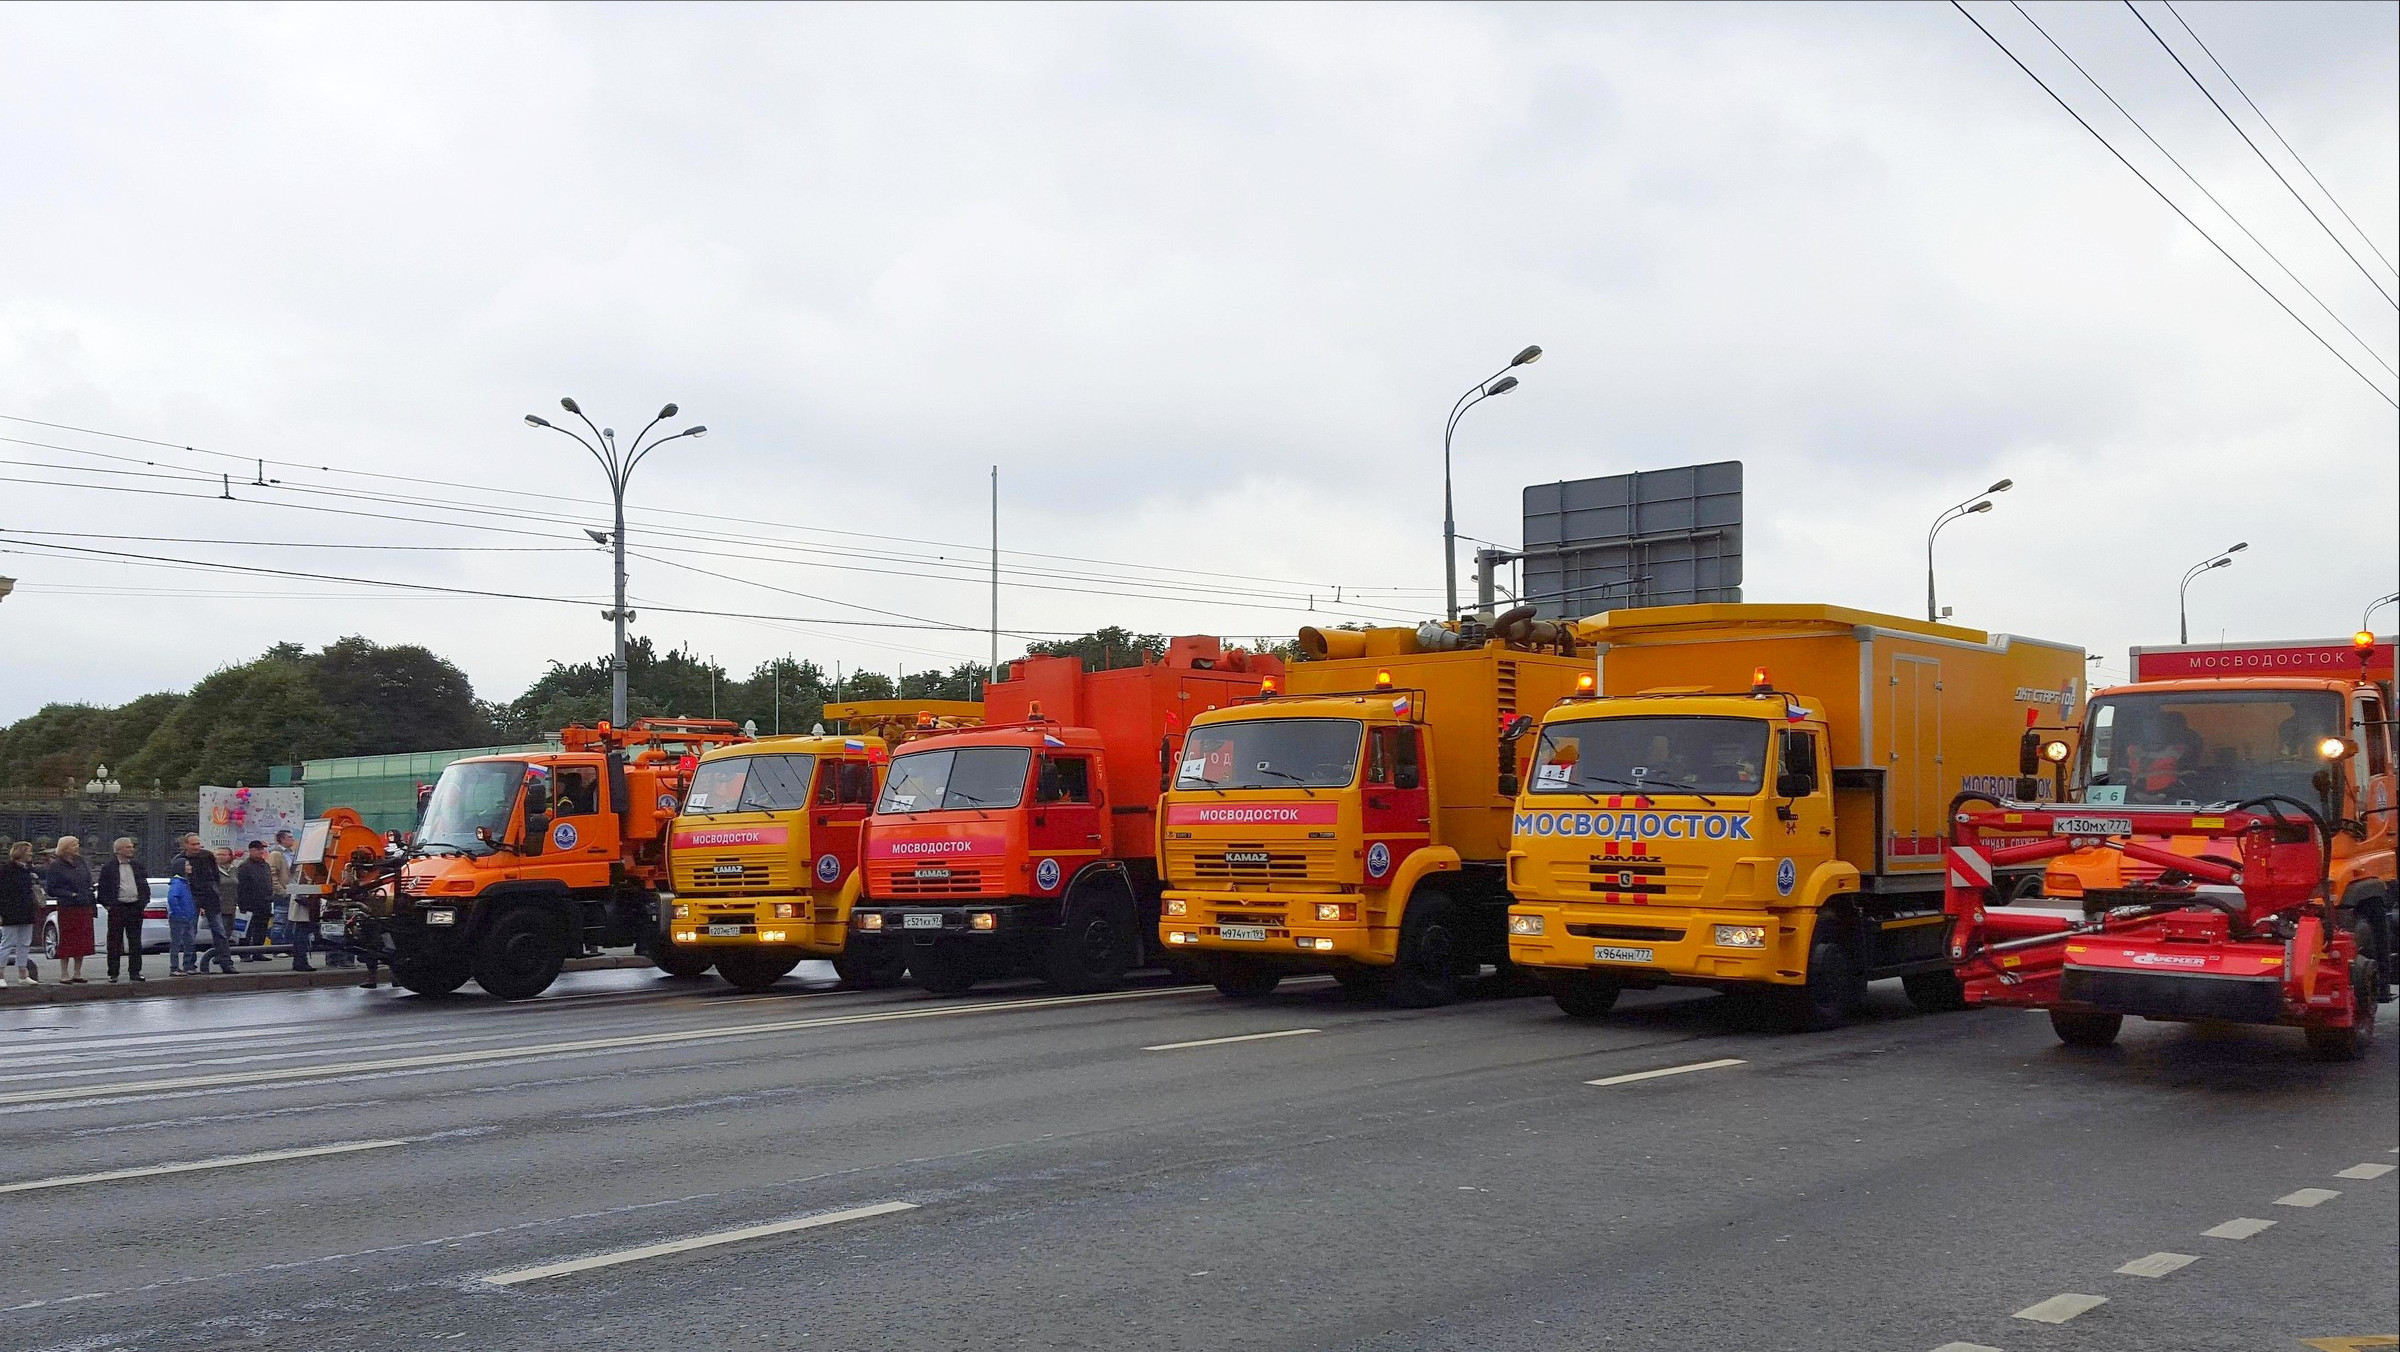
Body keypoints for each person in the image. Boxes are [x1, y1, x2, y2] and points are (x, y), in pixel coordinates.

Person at [94, 836, 149, 983]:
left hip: (135, 907)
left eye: (131, 847)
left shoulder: (137, 866)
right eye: (128, 847)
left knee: (135, 941)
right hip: (118, 908)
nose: (131, 849)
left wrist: (143, 901)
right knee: (114, 940)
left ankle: (135, 972)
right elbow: (103, 889)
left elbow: (144, 885)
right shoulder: (109, 867)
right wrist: (109, 905)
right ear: (118, 850)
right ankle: (113, 972)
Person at [44, 835, 97, 983]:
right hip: (68, 907)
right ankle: (64, 973)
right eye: (74, 845)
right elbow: (51, 889)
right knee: (68, 940)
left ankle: (78, 972)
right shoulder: (56, 865)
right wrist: (70, 894)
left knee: (82, 940)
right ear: (66, 847)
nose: (77, 847)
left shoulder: (80, 861)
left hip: (84, 905)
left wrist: (89, 889)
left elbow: (88, 879)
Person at [181, 834, 236, 974]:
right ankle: (189, 964)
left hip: (210, 897)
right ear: (185, 845)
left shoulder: (207, 856)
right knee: (190, 931)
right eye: (193, 844)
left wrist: (215, 890)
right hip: (192, 896)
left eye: (198, 844)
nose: (196, 847)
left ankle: (226, 963)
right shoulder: (180, 860)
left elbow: (215, 876)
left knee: (220, 932)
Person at [1, 841, 39, 987]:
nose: (31, 854)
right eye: (28, 851)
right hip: (10, 911)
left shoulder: (28, 870)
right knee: (7, 944)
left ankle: (23, 974)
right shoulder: (6, 870)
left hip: (26, 910)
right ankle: (1, 975)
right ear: (20, 852)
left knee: (24, 943)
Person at [234, 841, 277, 962]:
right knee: (247, 930)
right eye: (257, 849)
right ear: (251, 850)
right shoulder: (244, 866)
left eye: (262, 849)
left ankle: (258, 953)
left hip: (265, 903)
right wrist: (242, 904)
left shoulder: (265, 865)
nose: (260, 851)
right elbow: (241, 887)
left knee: (261, 929)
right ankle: (244, 954)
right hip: (249, 904)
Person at [165, 867, 199, 975]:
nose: (190, 867)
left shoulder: (185, 882)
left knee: (189, 942)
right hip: (180, 918)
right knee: (177, 943)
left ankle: (187, 966)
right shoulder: (178, 883)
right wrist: (179, 913)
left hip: (188, 917)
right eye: (187, 865)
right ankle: (174, 967)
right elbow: (172, 898)